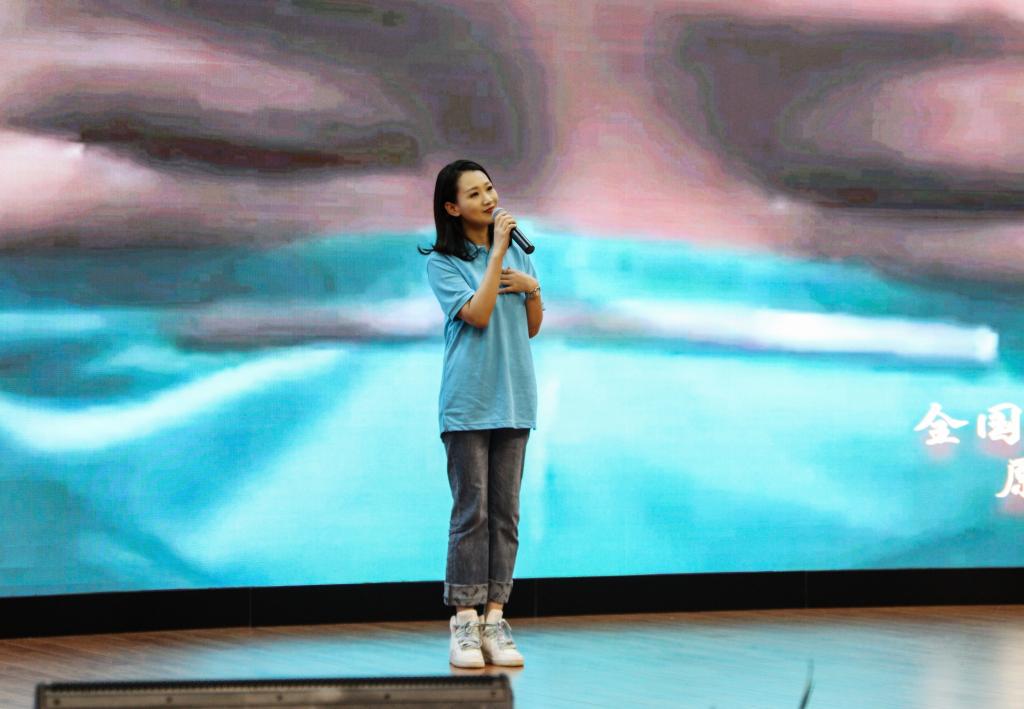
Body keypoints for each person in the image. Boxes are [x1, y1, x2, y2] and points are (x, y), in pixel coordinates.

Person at [421, 159, 544, 668]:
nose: (489, 199)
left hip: (514, 398)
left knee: (505, 514)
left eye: (489, 188)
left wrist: (533, 289)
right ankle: (465, 621)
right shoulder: (442, 262)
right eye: (474, 194)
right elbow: (477, 313)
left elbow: (531, 326)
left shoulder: (517, 251)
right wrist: (494, 256)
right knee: (471, 512)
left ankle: (496, 617)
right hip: (468, 403)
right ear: (452, 208)